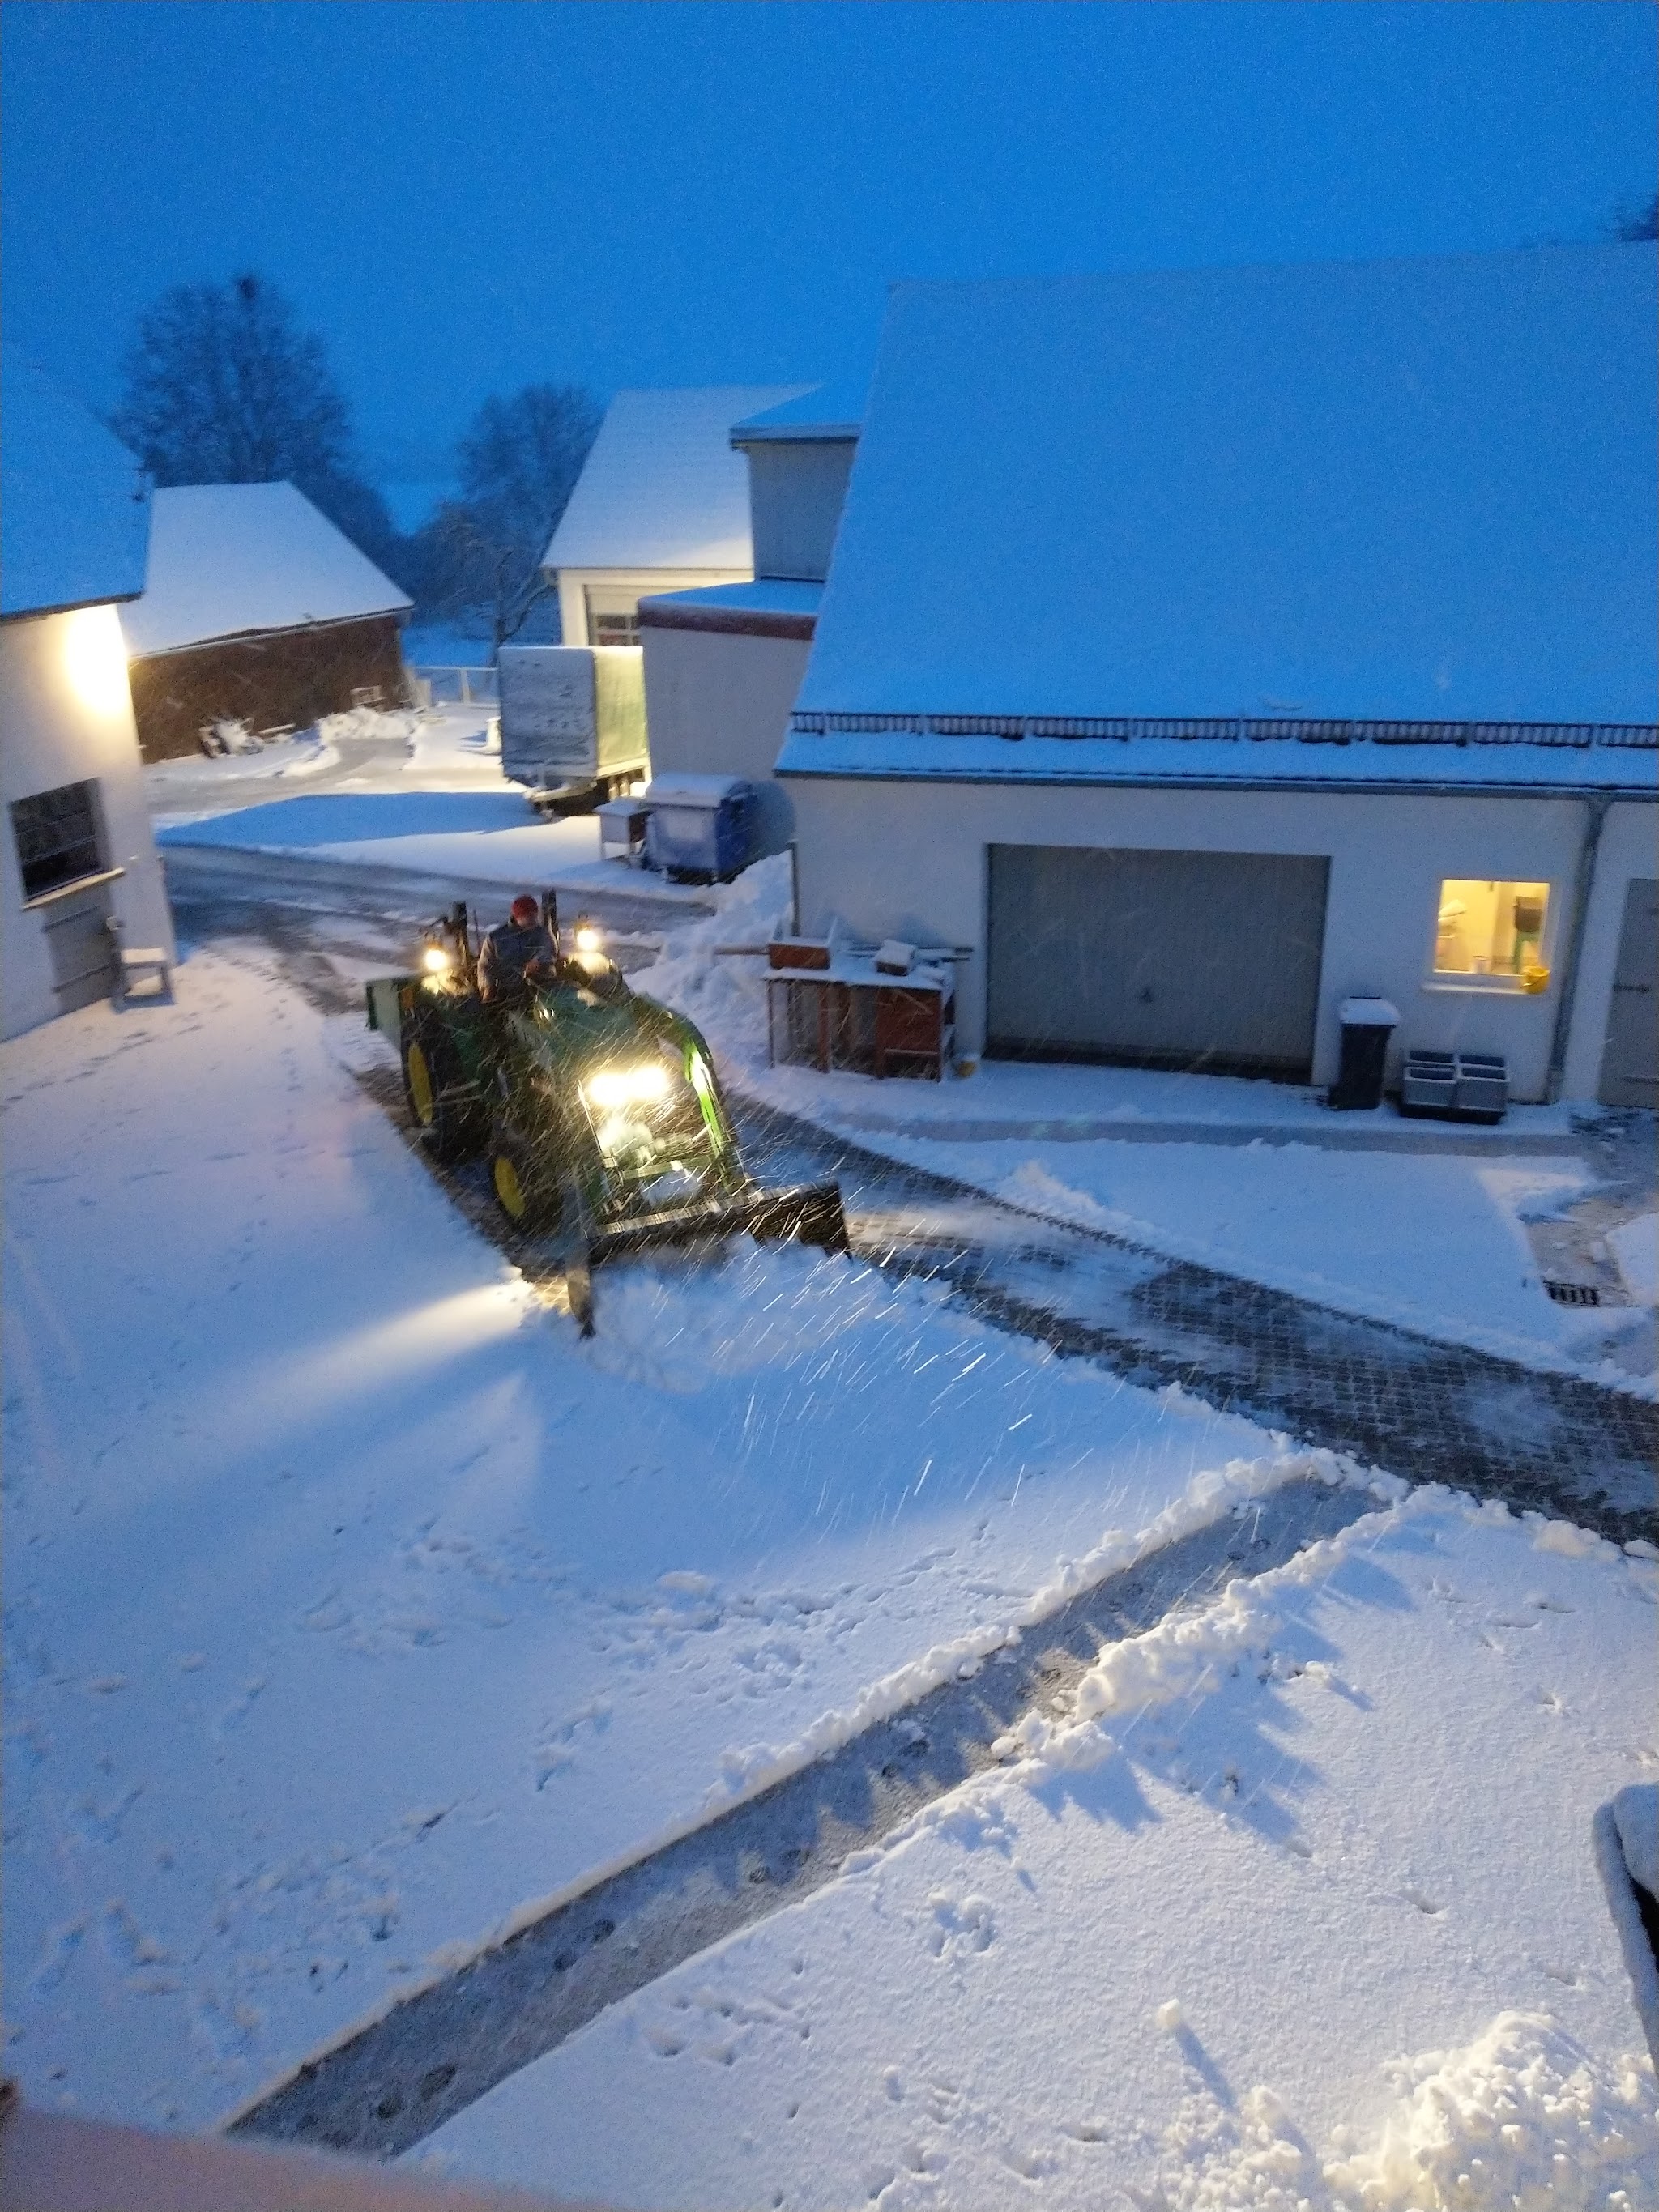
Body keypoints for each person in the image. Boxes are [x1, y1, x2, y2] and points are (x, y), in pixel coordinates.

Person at [477, 894, 558, 1005]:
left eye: (535, 916)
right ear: (517, 917)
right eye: (529, 918)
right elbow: (485, 966)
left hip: (538, 990)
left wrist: (539, 961)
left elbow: (550, 951)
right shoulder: (496, 938)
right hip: (507, 992)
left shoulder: (542, 933)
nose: (533, 921)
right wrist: (488, 986)